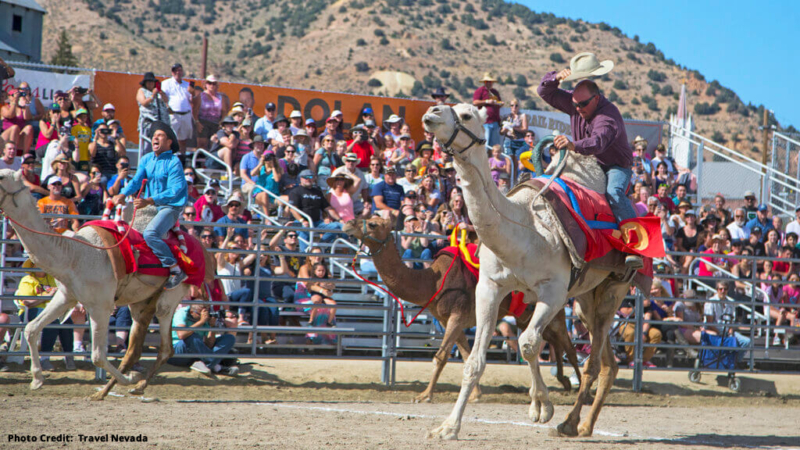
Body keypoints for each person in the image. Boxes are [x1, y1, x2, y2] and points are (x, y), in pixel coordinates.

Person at [537, 61, 641, 269]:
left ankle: (634, 246)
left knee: (614, 193)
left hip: (615, 166)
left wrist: (573, 145)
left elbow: (598, 142)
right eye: (575, 104)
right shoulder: (578, 102)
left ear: (597, 99)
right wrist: (555, 78)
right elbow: (544, 92)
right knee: (557, 181)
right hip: (587, 159)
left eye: (583, 105)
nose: (578, 108)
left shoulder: (608, 116)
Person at [113, 122, 188, 289]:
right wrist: (122, 194)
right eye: (154, 135)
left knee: (150, 233)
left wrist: (149, 200)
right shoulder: (146, 159)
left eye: (160, 135)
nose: (155, 137)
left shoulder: (174, 162)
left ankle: (175, 269)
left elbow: (175, 190)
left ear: (169, 142)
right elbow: (136, 181)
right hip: (149, 206)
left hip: (169, 207)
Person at [14, 259, 75, 371]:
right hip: (31, 311)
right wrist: (48, 296)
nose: (41, 265)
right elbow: (27, 303)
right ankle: (44, 358)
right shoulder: (27, 280)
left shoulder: (53, 279)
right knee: (51, 321)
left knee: (67, 321)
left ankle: (68, 355)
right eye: (37, 263)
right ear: (32, 266)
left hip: (52, 310)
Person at [169, 303, 239, 376]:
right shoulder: (182, 313)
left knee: (229, 338)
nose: (204, 317)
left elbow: (209, 344)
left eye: (205, 314)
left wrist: (212, 326)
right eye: (200, 315)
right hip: (176, 352)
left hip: (197, 353)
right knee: (192, 336)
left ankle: (206, 363)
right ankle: (215, 365)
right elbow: (181, 335)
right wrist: (201, 321)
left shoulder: (206, 317)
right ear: (192, 312)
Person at [288, 170, 344, 248]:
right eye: (305, 177)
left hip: (317, 222)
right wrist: (302, 220)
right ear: (300, 179)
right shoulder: (295, 191)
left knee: (337, 226)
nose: (308, 179)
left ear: (314, 178)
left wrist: (339, 219)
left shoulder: (317, 192)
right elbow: (293, 209)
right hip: (300, 222)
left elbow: (328, 208)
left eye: (310, 177)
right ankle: (304, 255)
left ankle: (318, 246)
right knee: (304, 230)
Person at [705, 282, 752, 350]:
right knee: (727, 343)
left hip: (727, 332)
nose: (723, 291)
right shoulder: (711, 302)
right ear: (717, 290)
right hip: (715, 332)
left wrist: (730, 334)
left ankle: (735, 360)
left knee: (746, 342)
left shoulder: (730, 303)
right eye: (720, 289)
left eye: (725, 289)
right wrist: (720, 333)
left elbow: (731, 322)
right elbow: (709, 323)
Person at [161, 63, 194, 154]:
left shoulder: (187, 85)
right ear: (172, 72)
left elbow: (191, 100)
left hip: (185, 114)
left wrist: (193, 93)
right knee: (170, 139)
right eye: (175, 70)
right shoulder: (166, 83)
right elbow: (162, 96)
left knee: (183, 140)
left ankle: (182, 158)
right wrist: (167, 106)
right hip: (173, 114)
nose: (178, 72)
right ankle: (169, 158)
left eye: (179, 70)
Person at [136, 72, 169, 156]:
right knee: (147, 146)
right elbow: (144, 103)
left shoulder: (160, 93)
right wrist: (153, 95)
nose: (151, 83)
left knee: (161, 145)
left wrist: (160, 92)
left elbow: (166, 101)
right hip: (149, 122)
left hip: (161, 123)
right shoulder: (142, 91)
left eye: (152, 81)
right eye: (148, 82)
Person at [193, 75, 230, 150]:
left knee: (214, 143)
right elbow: (195, 110)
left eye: (214, 83)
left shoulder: (221, 97)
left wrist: (221, 122)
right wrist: (197, 122)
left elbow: (224, 111)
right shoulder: (200, 96)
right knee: (201, 143)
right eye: (209, 83)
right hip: (203, 122)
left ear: (217, 85)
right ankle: (200, 160)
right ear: (205, 84)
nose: (211, 85)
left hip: (216, 123)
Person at [332, 153, 370, 217]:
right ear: (345, 162)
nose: (350, 163)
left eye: (353, 161)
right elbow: (332, 188)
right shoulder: (338, 171)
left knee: (367, 209)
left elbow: (364, 189)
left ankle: (357, 221)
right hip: (340, 202)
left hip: (354, 202)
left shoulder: (360, 173)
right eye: (348, 161)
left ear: (356, 163)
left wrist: (365, 201)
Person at [472, 72, 502, 149]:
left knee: (495, 146)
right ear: (484, 82)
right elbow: (475, 102)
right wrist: (486, 101)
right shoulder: (480, 91)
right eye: (487, 81)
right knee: (485, 145)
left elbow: (499, 102)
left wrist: (500, 103)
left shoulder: (495, 92)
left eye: (490, 81)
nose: (489, 83)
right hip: (485, 122)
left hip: (495, 122)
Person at [1, 86, 34, 153]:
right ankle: (12, 151)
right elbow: (10, 115)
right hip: (6, 136)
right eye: (14, 95)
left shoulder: (22, 109)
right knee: (15, 128)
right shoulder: (4, 108)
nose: (17, 97)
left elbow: (27, 118)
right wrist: (14, 102)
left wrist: (27, 104)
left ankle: (25, 154)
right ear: (9, 97)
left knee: (29, 128)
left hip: (19, 136)